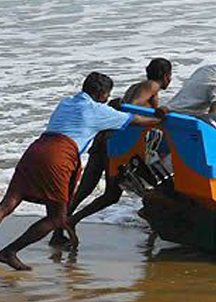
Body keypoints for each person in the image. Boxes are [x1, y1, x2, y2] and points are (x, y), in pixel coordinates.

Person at [0, 72, 164, 271]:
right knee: (56, 218)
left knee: (7, 204)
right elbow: (139, 120)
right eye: (107, 94)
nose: (107, 99)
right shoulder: (98, 111)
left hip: (36, 149)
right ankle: (9, 252)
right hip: (59, 157)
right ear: (101, 93)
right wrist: (159, 117)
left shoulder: (66, 102)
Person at [49, 58, 173, 247]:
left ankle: (58, 232)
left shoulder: (140, 86)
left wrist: (157, 112)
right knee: (112, 195)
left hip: (104, 141)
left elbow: (140, 107)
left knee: (84, 190)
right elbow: (130, 106)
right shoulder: (152, 86)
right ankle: (71, 221)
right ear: (166, 76)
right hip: (114, 146)